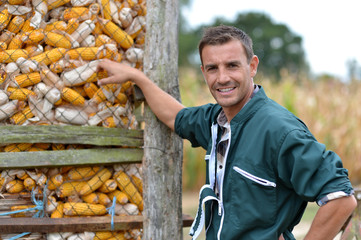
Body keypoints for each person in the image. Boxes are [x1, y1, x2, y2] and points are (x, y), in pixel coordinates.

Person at [97, 25, 357, 240]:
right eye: (212, 68)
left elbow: (341, 199)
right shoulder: (215, 121)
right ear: (203, 72)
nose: (222, 78)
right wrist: (138, 78)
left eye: (232, 65)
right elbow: (174, 116)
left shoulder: (279, 131)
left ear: (252, 66)